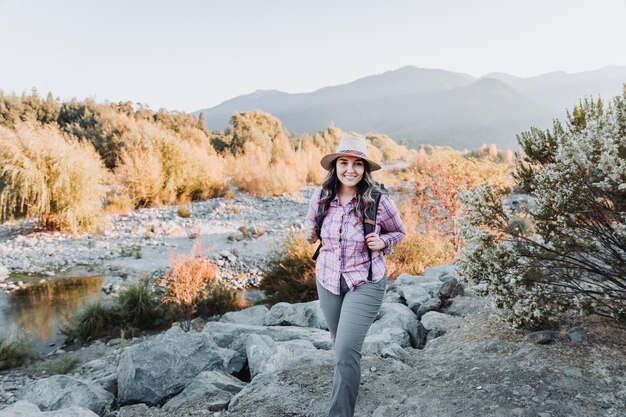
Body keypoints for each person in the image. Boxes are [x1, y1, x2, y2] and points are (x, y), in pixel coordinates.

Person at [305, 135, 406, 417]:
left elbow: (399, 232)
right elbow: (310, 226)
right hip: (327, 279)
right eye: (344, 162)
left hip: (366, 281)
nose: (350, 169)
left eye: (357, 164)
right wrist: (309, 233)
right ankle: (349, 385)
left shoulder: (377, 201)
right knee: (342, 351)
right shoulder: (321, 197)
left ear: (365, 169)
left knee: (346, 350)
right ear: (335, 165)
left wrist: (384, 242)